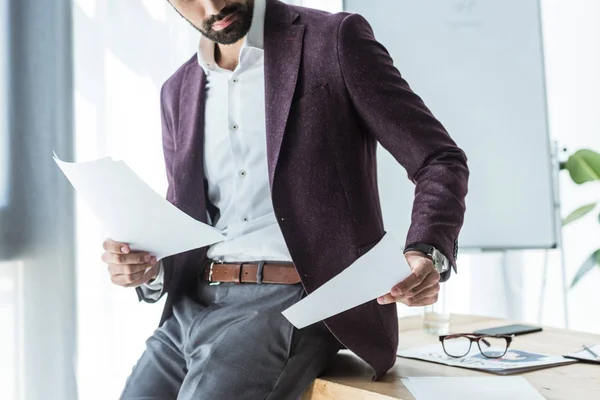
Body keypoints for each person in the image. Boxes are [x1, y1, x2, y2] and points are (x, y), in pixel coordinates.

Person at [101, 0, 469, 398]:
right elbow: (187, 212)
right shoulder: (178, 90)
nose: (213, 5)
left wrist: (426, 251)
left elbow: (438, 159)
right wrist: (148, 269)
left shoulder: (333, 41)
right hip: (191, 304)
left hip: (293, 299)